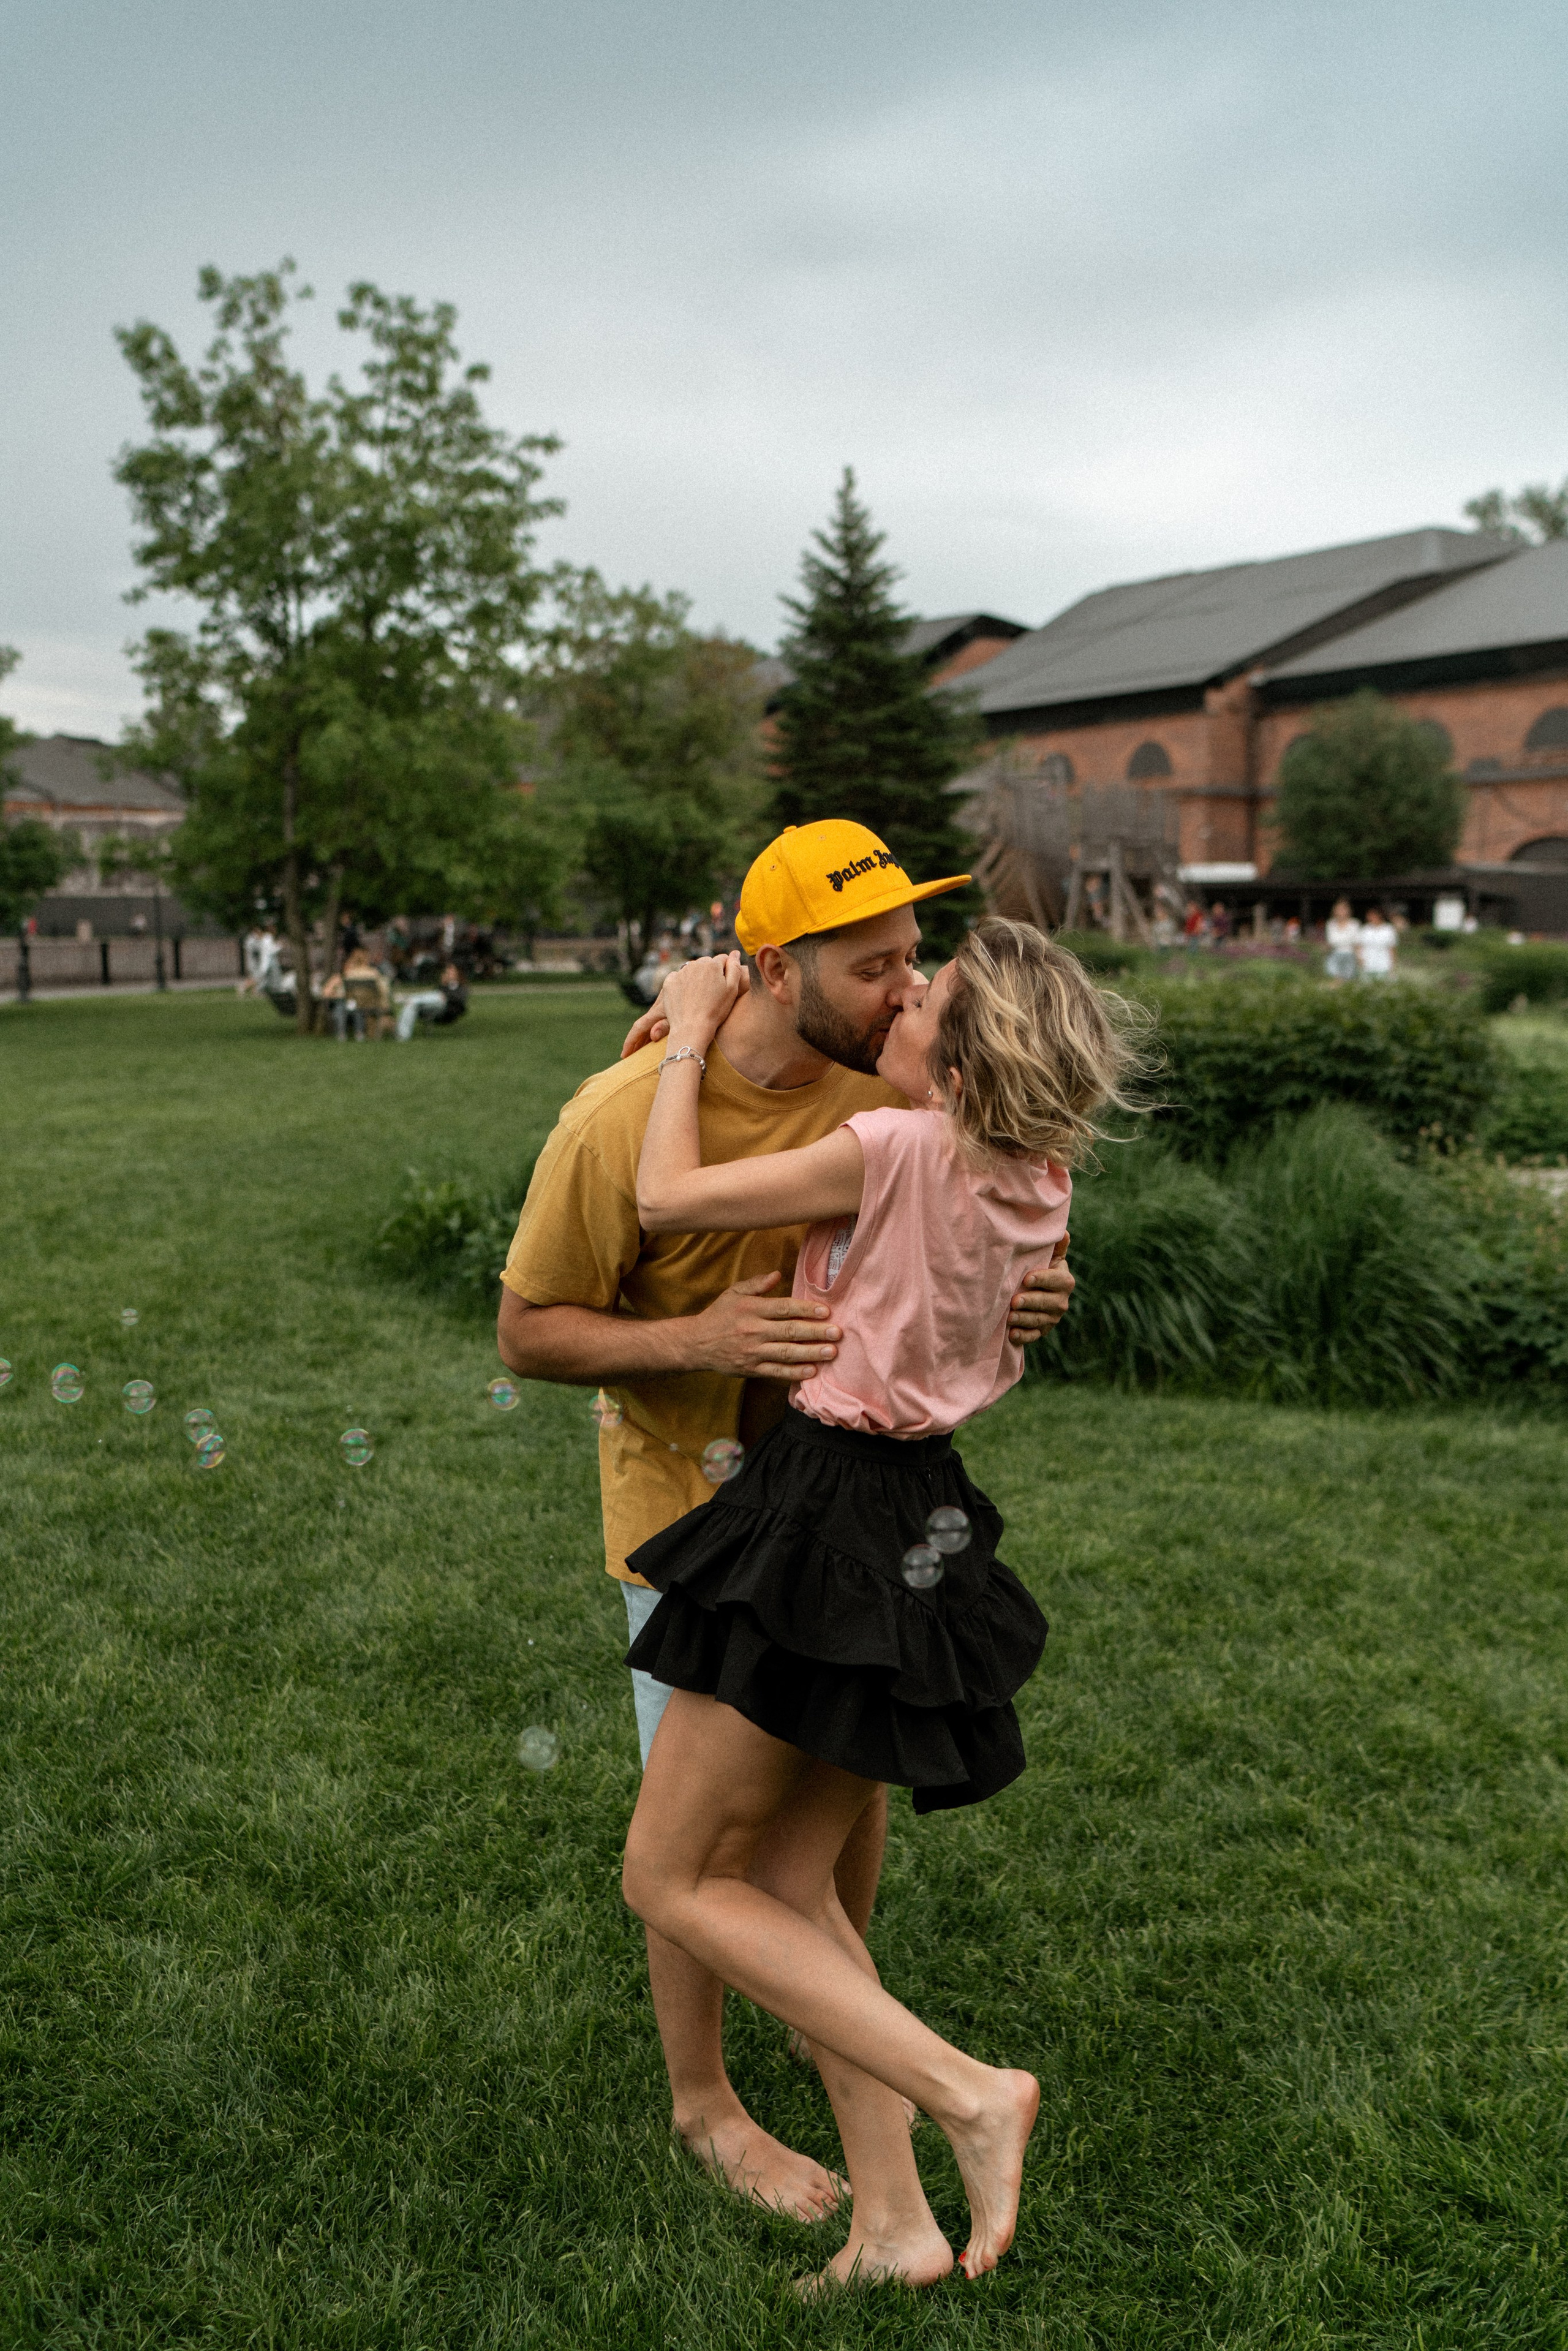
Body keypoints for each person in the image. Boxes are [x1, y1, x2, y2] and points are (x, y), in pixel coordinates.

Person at [494, 820, 1074, 2227]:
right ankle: (705, 2102)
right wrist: (694, 1334)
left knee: (807, 1853)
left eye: (913, 962)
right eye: (874, 966)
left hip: (836, 1526)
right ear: (770, 966)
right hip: (696, 1523)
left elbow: (978, 1210)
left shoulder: (891, 1097)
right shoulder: (620, 1117)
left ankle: (868, 2118)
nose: (903, 988)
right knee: (696, 1853)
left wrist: (1036, 1288)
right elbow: (525, 1333)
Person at [618, 919, 1136, 2290]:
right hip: (921, 1517)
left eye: (925, 998)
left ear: (955, 1070)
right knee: (792, 1881)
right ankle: (897, 2224)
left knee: (667, 1874)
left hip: (824, 1512)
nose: (898, 997)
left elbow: (664, 1198)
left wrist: (685, 1031)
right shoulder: (1041, 1177)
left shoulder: (895, 1147)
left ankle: (970, 2091)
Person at [395, 960, 467, 1041]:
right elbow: (432, 995)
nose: (449, 974)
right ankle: (402, 1036)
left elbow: (459, 1000)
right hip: (433, 1006)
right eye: (447, 972)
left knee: (439, 997)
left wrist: (446, 996)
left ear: (457, 974)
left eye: (451, 972)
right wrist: (443, 985)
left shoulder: (461, 987)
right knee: (411, 1005)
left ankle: (410, 998)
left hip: (448, 1009)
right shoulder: (444, 986)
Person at [1324, 898, 1360, 981]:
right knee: (1334, 977)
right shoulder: (1331, 924)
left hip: (1350, 954)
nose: (1341, 912)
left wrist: (1359, 958)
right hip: (1334, 954)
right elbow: (1330, 942)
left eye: (1343, 909)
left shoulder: (1354, 924)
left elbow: (1357, 943)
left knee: (1347, 979)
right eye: (1339, 910)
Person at [1357, 907, 1398, 979]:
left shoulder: (1389, 929)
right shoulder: (1365, 930)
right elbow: (1359, 947)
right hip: (1367, 964)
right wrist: (1360, 959)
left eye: (1374, 915)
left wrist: (1392, 965)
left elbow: (1392, 948)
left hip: (1384, 964)